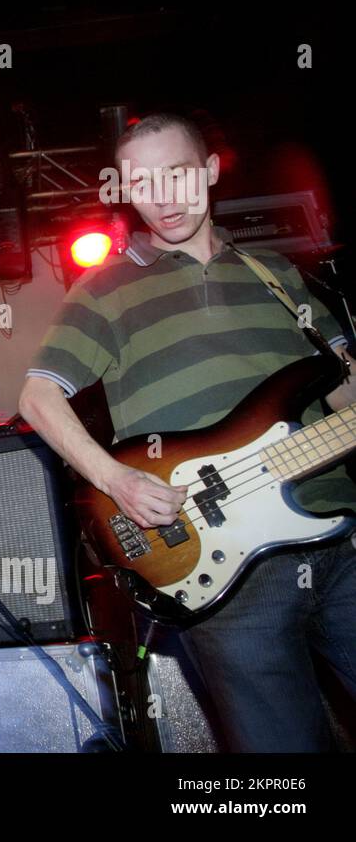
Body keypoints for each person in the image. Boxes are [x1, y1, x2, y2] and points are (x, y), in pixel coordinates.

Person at [19, 112, 356, 751]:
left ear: (207, 171)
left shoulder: (277, 275)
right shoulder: (103, 289)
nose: (162, 197)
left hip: (341, 533)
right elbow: (39, 398)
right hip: (223, 565)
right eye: (139, 182)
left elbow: (343, 390)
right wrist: (115, 478)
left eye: (176, 174)